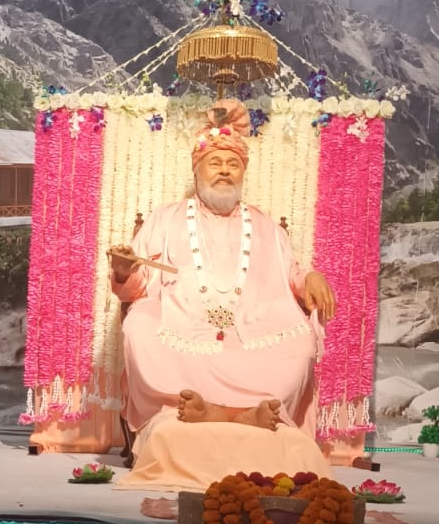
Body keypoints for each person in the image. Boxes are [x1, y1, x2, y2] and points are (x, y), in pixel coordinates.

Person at [108, 100, 336, 488]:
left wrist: (310, 276)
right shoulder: (165, 218)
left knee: (299, 341)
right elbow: (137, 286)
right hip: (183, 320)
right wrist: (123, 271)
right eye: (215, 163)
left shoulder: (265, 225)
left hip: (254, 324)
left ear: (243, 172)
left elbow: (291, 273)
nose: (225, 171)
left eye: (233, 164)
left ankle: (238, 412)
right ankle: (223, 411)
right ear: (197, 170)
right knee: (140, 327)